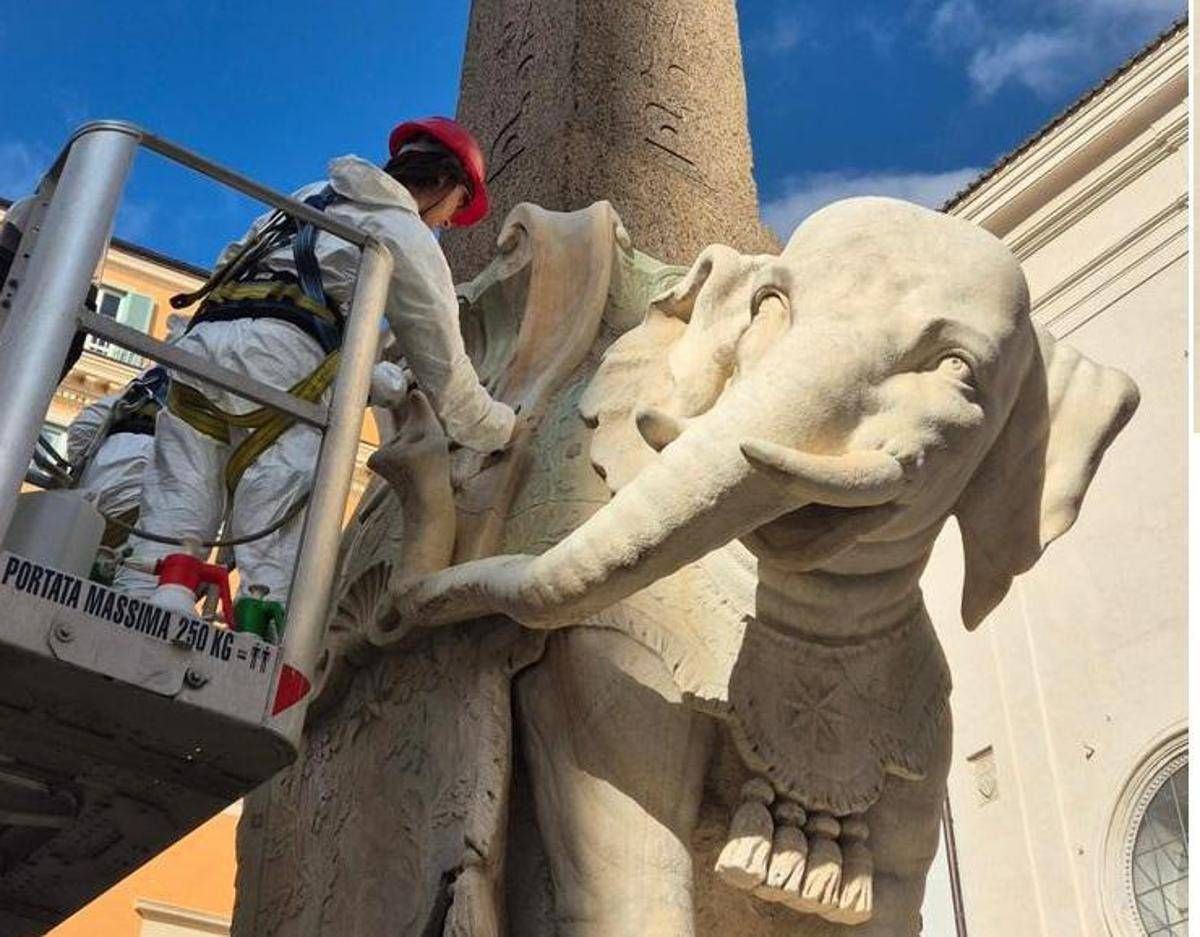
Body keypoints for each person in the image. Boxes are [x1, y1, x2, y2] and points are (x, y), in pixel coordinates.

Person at [114, 117, 516, 606]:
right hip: (284, 363)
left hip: (201, 350)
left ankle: (147, 603)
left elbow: (232, 261)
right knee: (274, 523)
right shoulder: (402, 230)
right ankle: (259, 632)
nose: (450, 221)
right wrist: (500, 427)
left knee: (175, 504)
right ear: (446, 182)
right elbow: (443, 365)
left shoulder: (312, 195)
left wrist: (363, 375)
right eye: (458, 204)